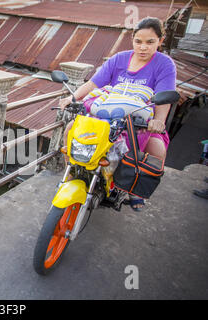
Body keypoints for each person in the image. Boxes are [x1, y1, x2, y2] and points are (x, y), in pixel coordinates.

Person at [59, 17, 177, 211]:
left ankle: (134, 189)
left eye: (150, 42)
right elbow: (93, 84)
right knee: (71, 130)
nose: (143, 47)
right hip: (108, 114)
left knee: (156, 148)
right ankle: (71, 173)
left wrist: (158, 121)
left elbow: (165, 98)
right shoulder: (119, 59)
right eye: (138, 41)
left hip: (142, 121)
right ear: (132, 39)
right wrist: (72, 99)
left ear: (160, 41)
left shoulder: (164, 64)